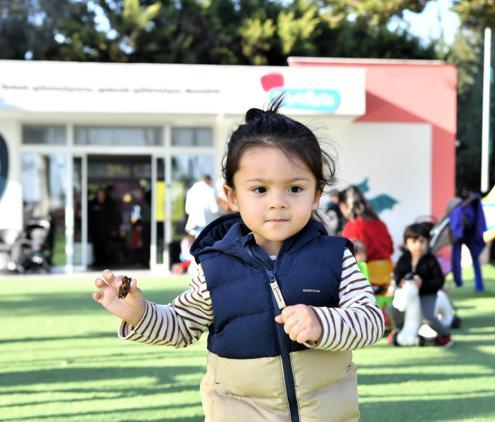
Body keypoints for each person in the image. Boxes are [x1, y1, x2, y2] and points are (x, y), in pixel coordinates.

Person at [92, 99, 385, 421]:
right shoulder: (215, 266)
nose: (277, 202)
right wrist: (139, 314)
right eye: (260, 189)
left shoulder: (335, 257)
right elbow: (181, 326)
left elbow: (370, 322)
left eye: (295, 188)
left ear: (316, 194)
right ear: (232, 196)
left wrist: (323, 322)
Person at [388, 222, 453, 347]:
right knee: (395, 309)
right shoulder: (404, 259)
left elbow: (439, 280)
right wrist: (400, 282)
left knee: (427, 316)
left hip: (426, 294)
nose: (418, 245)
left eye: (422, 241)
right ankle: (399, 329)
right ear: (407, 243)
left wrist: (423, 284)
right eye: (414, 241)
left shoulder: (431, 260)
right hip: (407, 292)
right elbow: (397, 273)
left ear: (427, 242)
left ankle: (444, 334)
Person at [339, 185, 394, 292]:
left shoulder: (351, 227)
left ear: (345, 206)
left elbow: (346, 258)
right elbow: (391, 250)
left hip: (364, 283)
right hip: (386, 281)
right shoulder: (381, 224)